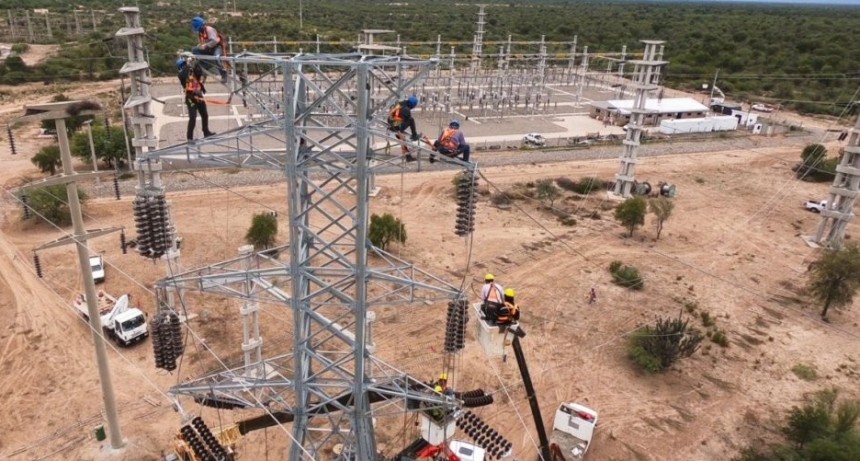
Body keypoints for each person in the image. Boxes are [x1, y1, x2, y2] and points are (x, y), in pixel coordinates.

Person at [177, 53, 215, 142]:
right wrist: (188, 66)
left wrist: (195, 64)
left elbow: (199, 73)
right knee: (193, 118)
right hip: (191, 98)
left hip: (199, 96)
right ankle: (189, 137)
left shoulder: (193, 71)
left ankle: (206, 131)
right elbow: (183, 75)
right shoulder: (181, 74)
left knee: (204, 115)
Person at [191, 16, 228, 83]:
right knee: (194, 50)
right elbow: (202, 41)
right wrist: (200, 45)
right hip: (208, 49)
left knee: (217, 58)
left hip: (216, 47)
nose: (198, 30)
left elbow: (214, 41)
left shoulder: (209, 29)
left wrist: (206, 45)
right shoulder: (201, 32)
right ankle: (206, 65)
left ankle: (223, 75)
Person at [387, 96, 420, 161]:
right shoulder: (407, 110)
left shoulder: (401, 103)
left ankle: (408, 156)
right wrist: (399, 132)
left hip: (390, 120)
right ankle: (414, 135)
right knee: (411, 120)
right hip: (395, 125)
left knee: (402, 138)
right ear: (413, 106)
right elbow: (407, 120)